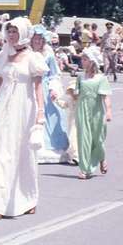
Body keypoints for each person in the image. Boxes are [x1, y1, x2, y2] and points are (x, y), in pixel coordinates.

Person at [0, 17, 48, 219]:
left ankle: (27, 199)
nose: (11, 35)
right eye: (9, 31)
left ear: (24, 33)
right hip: (3, 107)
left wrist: (40, 112)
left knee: (22, 153)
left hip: (23, 108)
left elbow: (38, 87)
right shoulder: (2, 56)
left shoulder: (33, 58)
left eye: (15, 31)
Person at [69, 47, 113, 179]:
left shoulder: (101, 78)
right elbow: (77, 95)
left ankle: (101, 157)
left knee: (98, 139)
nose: (82, 61)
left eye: (85, 59)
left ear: (92, 61)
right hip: (82, 110)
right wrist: (71, 93)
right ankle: (84, 169)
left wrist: (109, 111)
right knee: (84, 139)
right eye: (82, 58)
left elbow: (105, 96)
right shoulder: (80, 77)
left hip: (96, 112)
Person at [31, 26, 69, 164]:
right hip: (30, 87)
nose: (37, 41)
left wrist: (53, 89)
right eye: (35, 38)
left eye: (40, 39)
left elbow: (54, 74)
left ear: (43, 40)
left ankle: (50, 147)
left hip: (45, 88)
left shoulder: (48, 55)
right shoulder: (27, 53)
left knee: (50, 115)